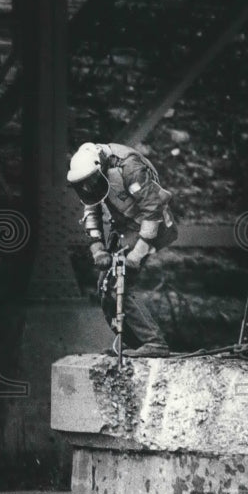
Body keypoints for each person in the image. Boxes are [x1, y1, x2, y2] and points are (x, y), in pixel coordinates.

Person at [67, 141, 177, 358]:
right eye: (84, 184)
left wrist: (138, 253)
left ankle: (154, 342)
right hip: (126, 228)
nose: (88, 187)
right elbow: (92, 213)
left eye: (91, 181)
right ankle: (132, 344)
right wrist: (98, 249)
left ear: (100, 167)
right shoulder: (91, 180)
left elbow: (152, 209)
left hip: (150, 226)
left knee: (121, 281)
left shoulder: (129, 168)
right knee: (104, 286)